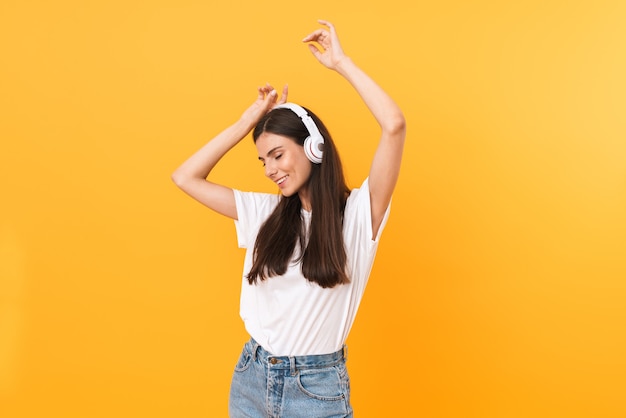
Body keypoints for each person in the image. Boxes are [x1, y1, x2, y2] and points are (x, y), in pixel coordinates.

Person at [172, 20, 405, 418]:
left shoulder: (359, 216)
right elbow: (185, 177)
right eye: (263, 160)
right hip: (251, 375)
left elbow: (394, 125)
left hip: (315, 389)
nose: (269, 169)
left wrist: (342, 63)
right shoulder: (266, 214)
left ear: (313, 147)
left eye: (278, 154)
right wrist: (249, 120)